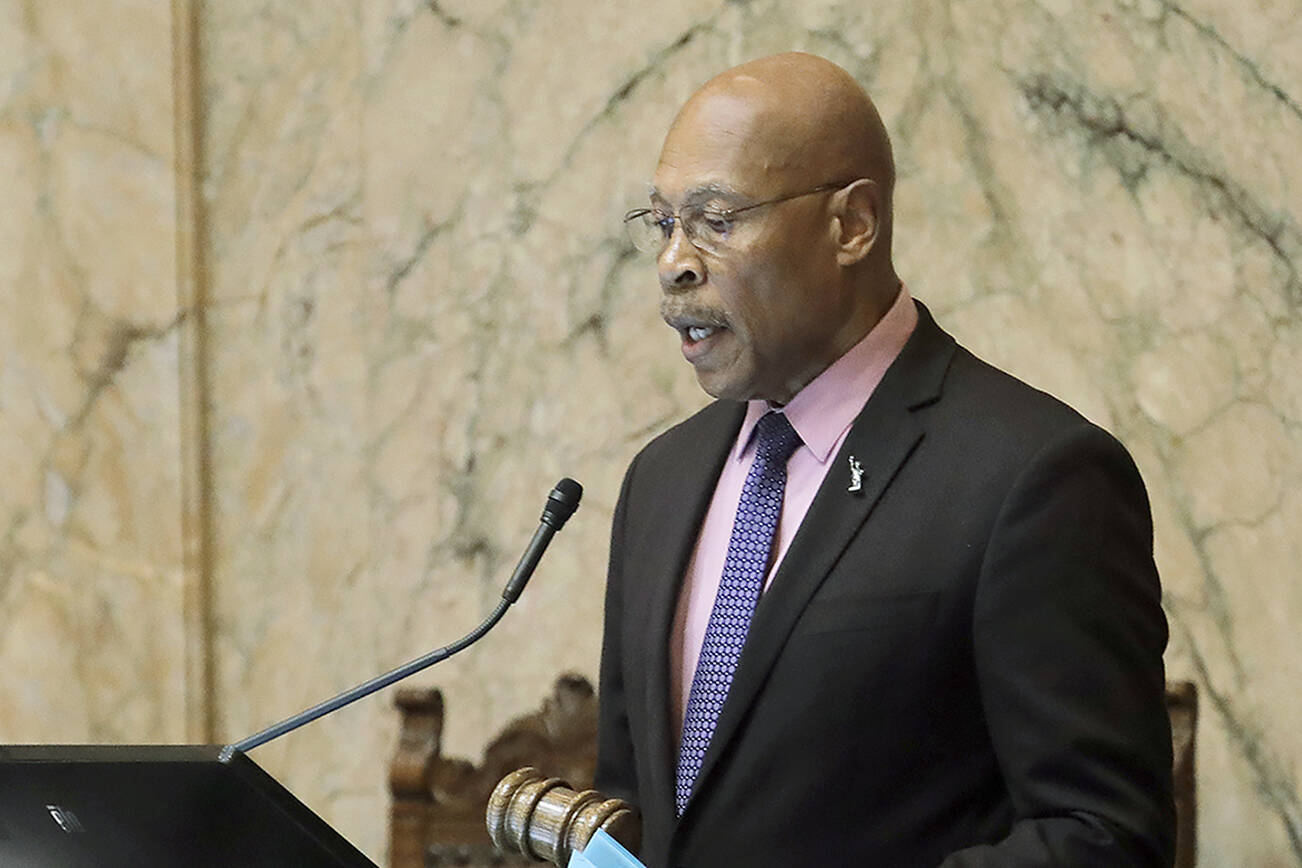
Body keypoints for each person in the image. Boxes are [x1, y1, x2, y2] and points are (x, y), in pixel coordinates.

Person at [594, 52, 1174, 867]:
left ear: (852, 225)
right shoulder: (662, 480)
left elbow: (1103, 837)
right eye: (663, 223)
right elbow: (630, 808)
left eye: (717, 220)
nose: (674, 262)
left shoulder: (1035, 478)